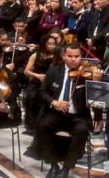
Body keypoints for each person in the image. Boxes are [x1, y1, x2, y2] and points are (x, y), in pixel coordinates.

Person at [36, 43, 91, 178]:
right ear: (64, 56)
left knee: (82, 130)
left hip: (78, 115)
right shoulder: (54, 70)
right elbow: (42, 92)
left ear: (81, 57)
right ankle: (53, 164)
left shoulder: (87, 74)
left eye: (77, 56)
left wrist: (96, 81)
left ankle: (66, 168)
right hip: (57, 113)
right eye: (70, 56)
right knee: (42, 125)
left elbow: (94, 100)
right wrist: (54, 102)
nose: (74, 59)